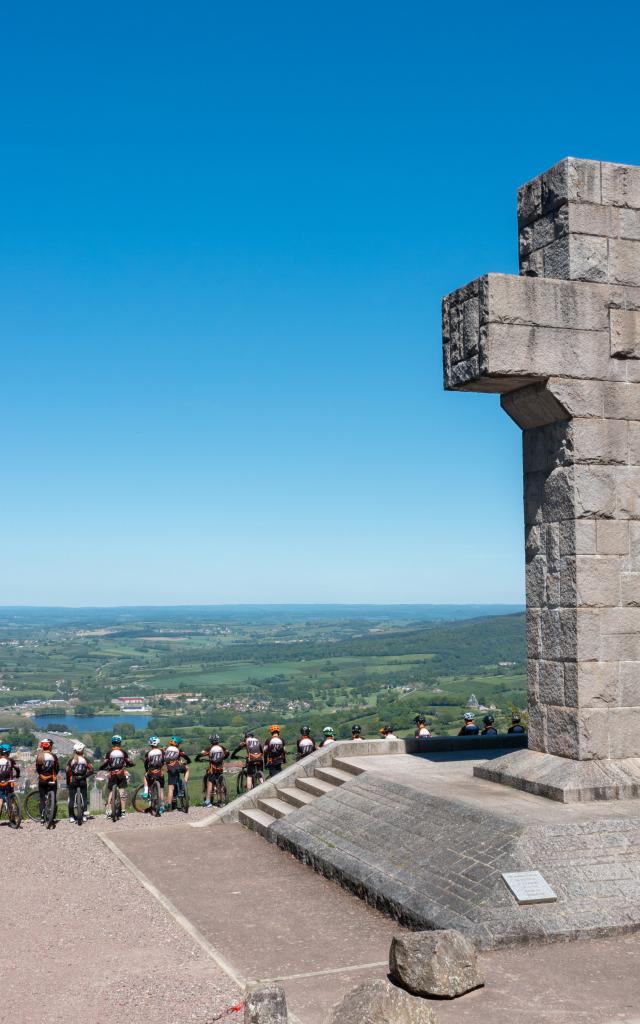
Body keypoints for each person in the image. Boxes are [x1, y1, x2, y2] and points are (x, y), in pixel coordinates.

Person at [99, 735, 134, 818]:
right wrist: (131, 764)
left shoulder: (109, 753)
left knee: (111, 791)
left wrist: (101, 768)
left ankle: (108, 810)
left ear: (112, 743)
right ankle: (123, 812)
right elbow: (128, 761)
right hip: (121, 773)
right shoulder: (123, 752)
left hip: (112, 774)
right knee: (122, 791)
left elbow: (105, 763)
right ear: (120, 743)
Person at [196, 734, 230, 806]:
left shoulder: (209, 748)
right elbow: (227, 752)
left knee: (210, 782)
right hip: (220, 768)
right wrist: (224, 757)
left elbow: (201, 754)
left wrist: (197, 758)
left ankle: (208, 801)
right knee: (220, 782)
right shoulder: (222, 747)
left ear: (211, 741)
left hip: (213, 769)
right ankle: (220, 799)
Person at [66, 742, 93, 823]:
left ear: (75, 751)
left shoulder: (71, 760)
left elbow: (67, 771)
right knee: (84, 798)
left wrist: (68, 782)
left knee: (71, 799)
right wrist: (85, 776)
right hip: (82, 781)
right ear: (83, 750)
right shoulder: (85, 760)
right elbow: (91, 770)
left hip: (73, 781)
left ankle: (71, 817)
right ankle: (84, 816)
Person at [35, 738, 60, 822]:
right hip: (52, 779)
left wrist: (42, 774)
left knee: (42, 798)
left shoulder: (39, 756)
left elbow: (38, 769)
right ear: (50, 746)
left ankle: (42, 817)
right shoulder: (53, 756)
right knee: (53, 799)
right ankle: (52, 818)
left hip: (42, 780)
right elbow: (57, 768)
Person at [164, 735, 191, 809]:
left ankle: (169, 806)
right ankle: (184, 784)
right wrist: (188, 761)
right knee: (187, 769)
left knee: (170, 788)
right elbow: (185, 756)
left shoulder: (166, 749)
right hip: (177, 767)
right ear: (177, 744)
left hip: (170, 769)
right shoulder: (178, 750)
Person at [143, 736, 166, 814]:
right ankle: (162, 807)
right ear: (158, 743)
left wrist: (147, 770)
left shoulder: (148, 753)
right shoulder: (162, 752)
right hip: (160, 772)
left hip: (151, 772)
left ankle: (146, 792)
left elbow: (146, 763)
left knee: (145, 776)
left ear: (150, 744)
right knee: (161, 789)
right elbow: (163, 761)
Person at [0, 742, 20, 816]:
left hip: (0, 783)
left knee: (0, 799)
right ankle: (13, 815)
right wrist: (17, 775)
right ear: (8, 752)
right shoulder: (10, 760)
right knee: (11, 797)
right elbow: (17, 768)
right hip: (9, 782)